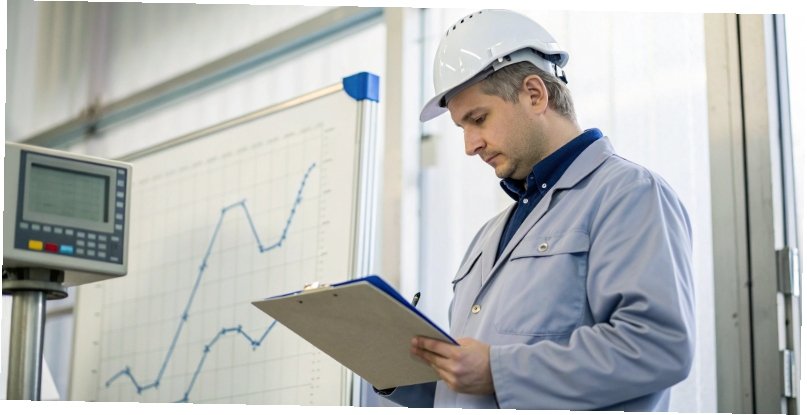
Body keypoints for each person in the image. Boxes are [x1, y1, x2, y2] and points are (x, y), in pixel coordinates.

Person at [376, 9, 695, 410]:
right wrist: (390, 369)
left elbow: (658, 347)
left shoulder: (628, 194)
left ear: (534, 94)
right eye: (462, 128)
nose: (470, 145)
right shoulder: (491, 235)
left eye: (478, 119)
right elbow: (468, 383)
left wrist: (499, 370)